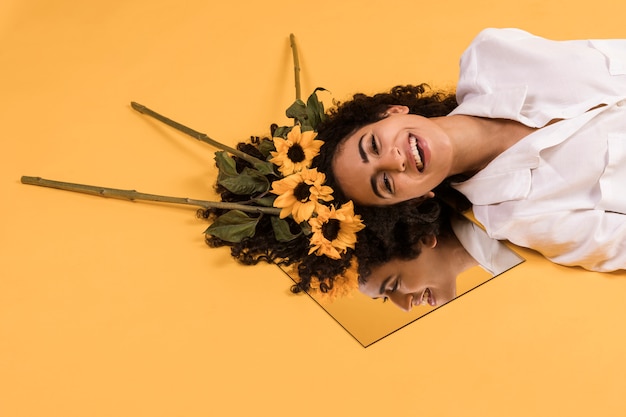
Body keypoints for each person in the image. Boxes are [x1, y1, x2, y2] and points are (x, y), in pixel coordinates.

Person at [312, 28, 626, 272]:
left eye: (374, 145)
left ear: (392, 111)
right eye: (385, 184)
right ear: (416, 198)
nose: (394, 160)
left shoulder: (491, 55)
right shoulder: (517, 216)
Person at [355, 200, 522, 311]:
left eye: (394, 285)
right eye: (385, 297)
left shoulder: (508, 221)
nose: (406, 307)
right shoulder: (500, 266)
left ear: (423, 239)